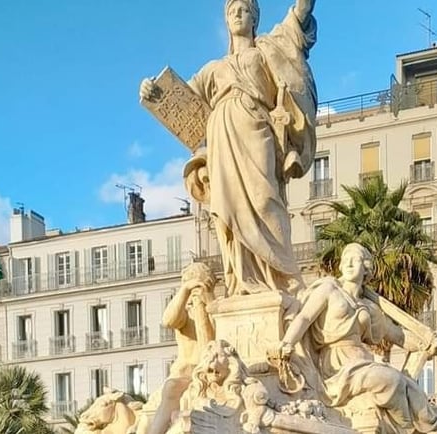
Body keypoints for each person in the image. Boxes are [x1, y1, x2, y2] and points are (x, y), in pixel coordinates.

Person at [140, 0, 318, 296]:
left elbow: (296, 23)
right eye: (231, 9)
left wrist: (302, 6)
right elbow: (180, 99)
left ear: (255, 18)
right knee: (226, 215)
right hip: (221, 133)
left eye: (244, 9)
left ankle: (282, 279)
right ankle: (241, 282)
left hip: (256, 129)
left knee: (265, 201)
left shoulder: (267, 49)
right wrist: (151, 89)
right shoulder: (213, 68)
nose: (237, 13)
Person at [277, 243, 437, 433]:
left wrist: (428, 345)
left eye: (355, 259)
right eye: (345, 259)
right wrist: (287, 343)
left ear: (366, 268)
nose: (349, 263)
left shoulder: (369, 307)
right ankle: (406, 428)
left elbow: (397, 335)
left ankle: (406, 426)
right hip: (336, 366)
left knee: (409, 388)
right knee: (391, 379)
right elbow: (305, 317)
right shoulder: (329, 289)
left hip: (362, 361)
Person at [140, 263, 217, 434]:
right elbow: (168, 320)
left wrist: (207, 301)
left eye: (200, 284)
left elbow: (215, 338)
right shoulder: (184, 314)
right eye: (189, 284)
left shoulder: (215, 310)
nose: (195, 290)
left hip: (211, 372)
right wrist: (185, 291)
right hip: (184, 374)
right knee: (171, 387)